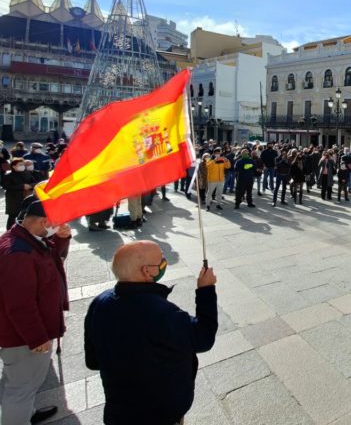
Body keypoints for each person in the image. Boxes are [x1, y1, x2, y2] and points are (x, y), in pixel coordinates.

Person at [84, 241, 218, 425]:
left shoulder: (99, 303)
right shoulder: (162, 313)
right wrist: (206, 290)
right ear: (146, 271)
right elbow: (204, 337)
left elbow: (92, 361)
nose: (164, 262)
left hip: (119, 410)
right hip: (160, 412)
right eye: (161, 259)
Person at [0, 194, 72, 425]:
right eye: (55, 223)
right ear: (43, 222)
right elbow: (20, 305)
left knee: (23, 384)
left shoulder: (24, 238)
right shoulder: (18, 254)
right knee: (20, 389)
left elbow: (49, 257)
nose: (56, 227)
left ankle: (27, 414)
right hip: (23, 338)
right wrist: (37, 337)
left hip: (24, 334)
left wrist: (61, 239)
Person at [2, 157, 35, 229]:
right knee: (12, 217)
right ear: (13, 166)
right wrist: (22, 186)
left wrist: (30, 186)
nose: (22, 166)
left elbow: (34, 182)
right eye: (20, 165)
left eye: (23, 164)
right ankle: (9, 232)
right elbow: (6, 186)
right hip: (14, 199)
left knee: (25, 215)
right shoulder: (8, 175)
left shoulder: (26, 173)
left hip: (26, 197)